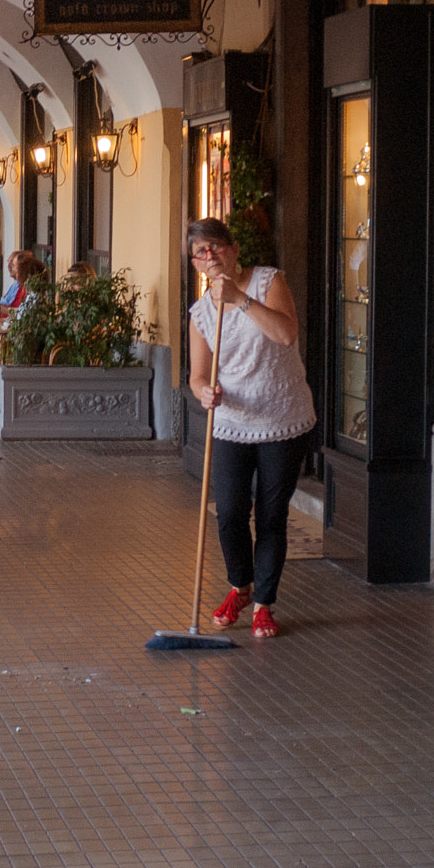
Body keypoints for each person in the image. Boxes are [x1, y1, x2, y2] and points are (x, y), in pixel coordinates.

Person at [186, 217, 314, 640]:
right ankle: (240, 585)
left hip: (282, 418)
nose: (211, 257)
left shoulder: (266, 282)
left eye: (216, 247)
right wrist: (205, 392)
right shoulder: (201, 314)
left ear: (233, 248)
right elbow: (197, 376)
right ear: (195, 265)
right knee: (229, 514)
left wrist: (239, 298)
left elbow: (286, 334)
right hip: (231, 422)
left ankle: (264, 604)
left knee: (272, 515)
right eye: (201, 253)